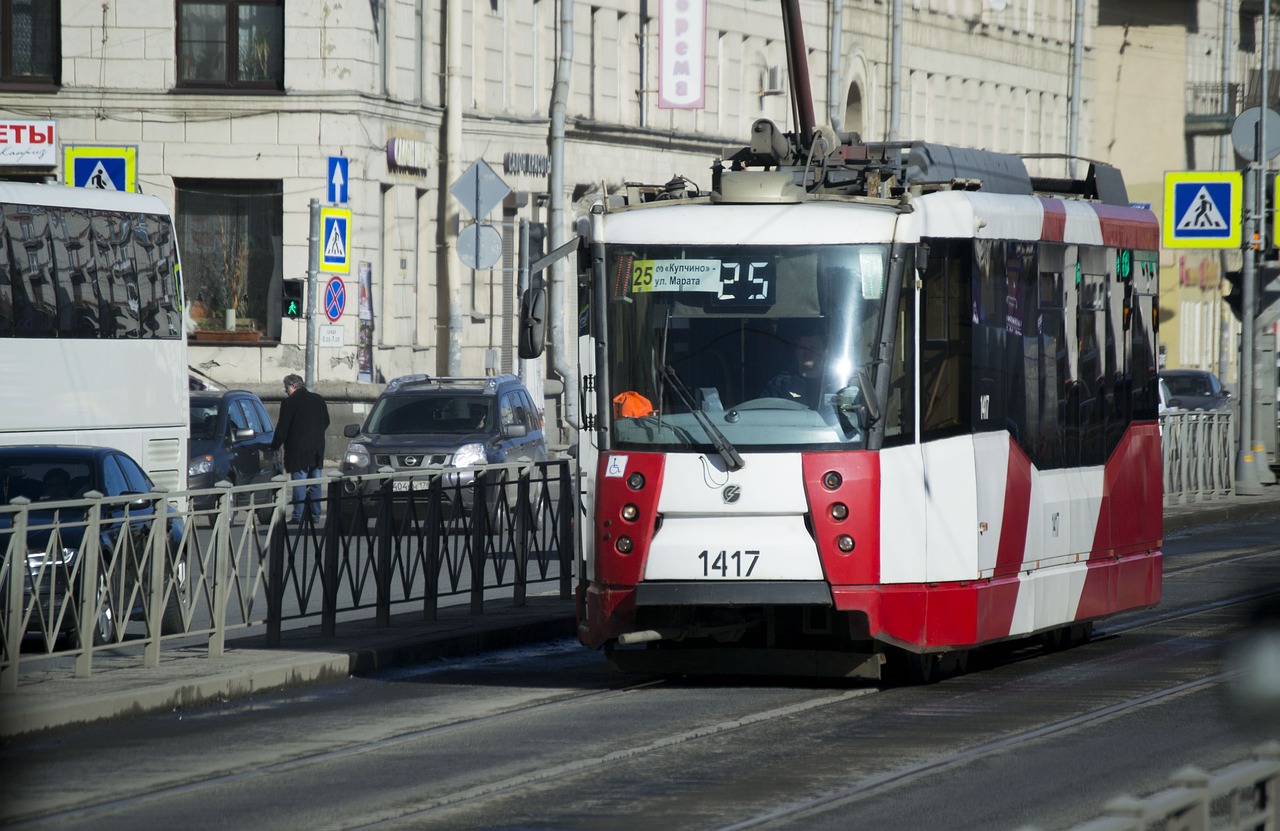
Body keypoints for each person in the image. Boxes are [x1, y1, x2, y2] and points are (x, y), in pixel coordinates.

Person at [271, 373, 330, 523]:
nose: (285, 391)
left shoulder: (289, 403)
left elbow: (282, 429)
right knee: (315, 482)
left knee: (300, 483)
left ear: (292, 386)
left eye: (286, 388)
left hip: (297, 450)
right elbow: (327, 421)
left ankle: (298, 515)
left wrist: (274, 446)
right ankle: (315, 515)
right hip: (317, 448)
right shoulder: (318, 399)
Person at [761, 332, 826, 408]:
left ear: (824, 352)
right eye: (803, 348)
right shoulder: (779, 384)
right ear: (796, 351)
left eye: (813, 348)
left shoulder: (832, 385)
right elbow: (764, 414)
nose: (807, 352)